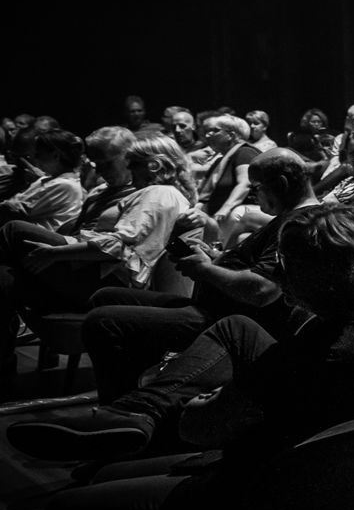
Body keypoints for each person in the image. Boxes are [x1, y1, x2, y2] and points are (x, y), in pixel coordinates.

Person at [0, 204, 354, 510]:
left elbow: (198, 430)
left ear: (319, 276)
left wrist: (210, 403)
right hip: (336, 492)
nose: (280, 274)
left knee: (68, 505)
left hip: (257, 501)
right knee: (238, 328)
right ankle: (136, 415)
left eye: (286, 264)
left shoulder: (310, 356)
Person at [78, 147, 316, 407]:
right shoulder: (285, 218)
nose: (253, 193)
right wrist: (215, 259)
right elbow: (253, 267)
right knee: (106, 297)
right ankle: (141, 387)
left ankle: (123, 410)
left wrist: (206, 269)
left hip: (227, 320)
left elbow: (263, 291)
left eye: (256, 186)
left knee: (103, 322)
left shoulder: (298, 223)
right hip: (214, 307)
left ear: (280, 184)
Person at [1, 135, 195, 391]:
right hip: (96, 272)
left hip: (109, 281)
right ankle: (3, 372)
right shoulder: (156, 193)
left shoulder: (158, 193)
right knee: (4, 278)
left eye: (132, 163)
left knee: (14, 229)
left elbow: (119, 245)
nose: (128, 170)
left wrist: (55, 254)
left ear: (153, 166)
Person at [0, 129, 85, 230]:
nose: (35, 159)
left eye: (38, 154)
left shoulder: (65, 185)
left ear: (56, 155)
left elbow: (15, 210)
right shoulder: (47, 179)